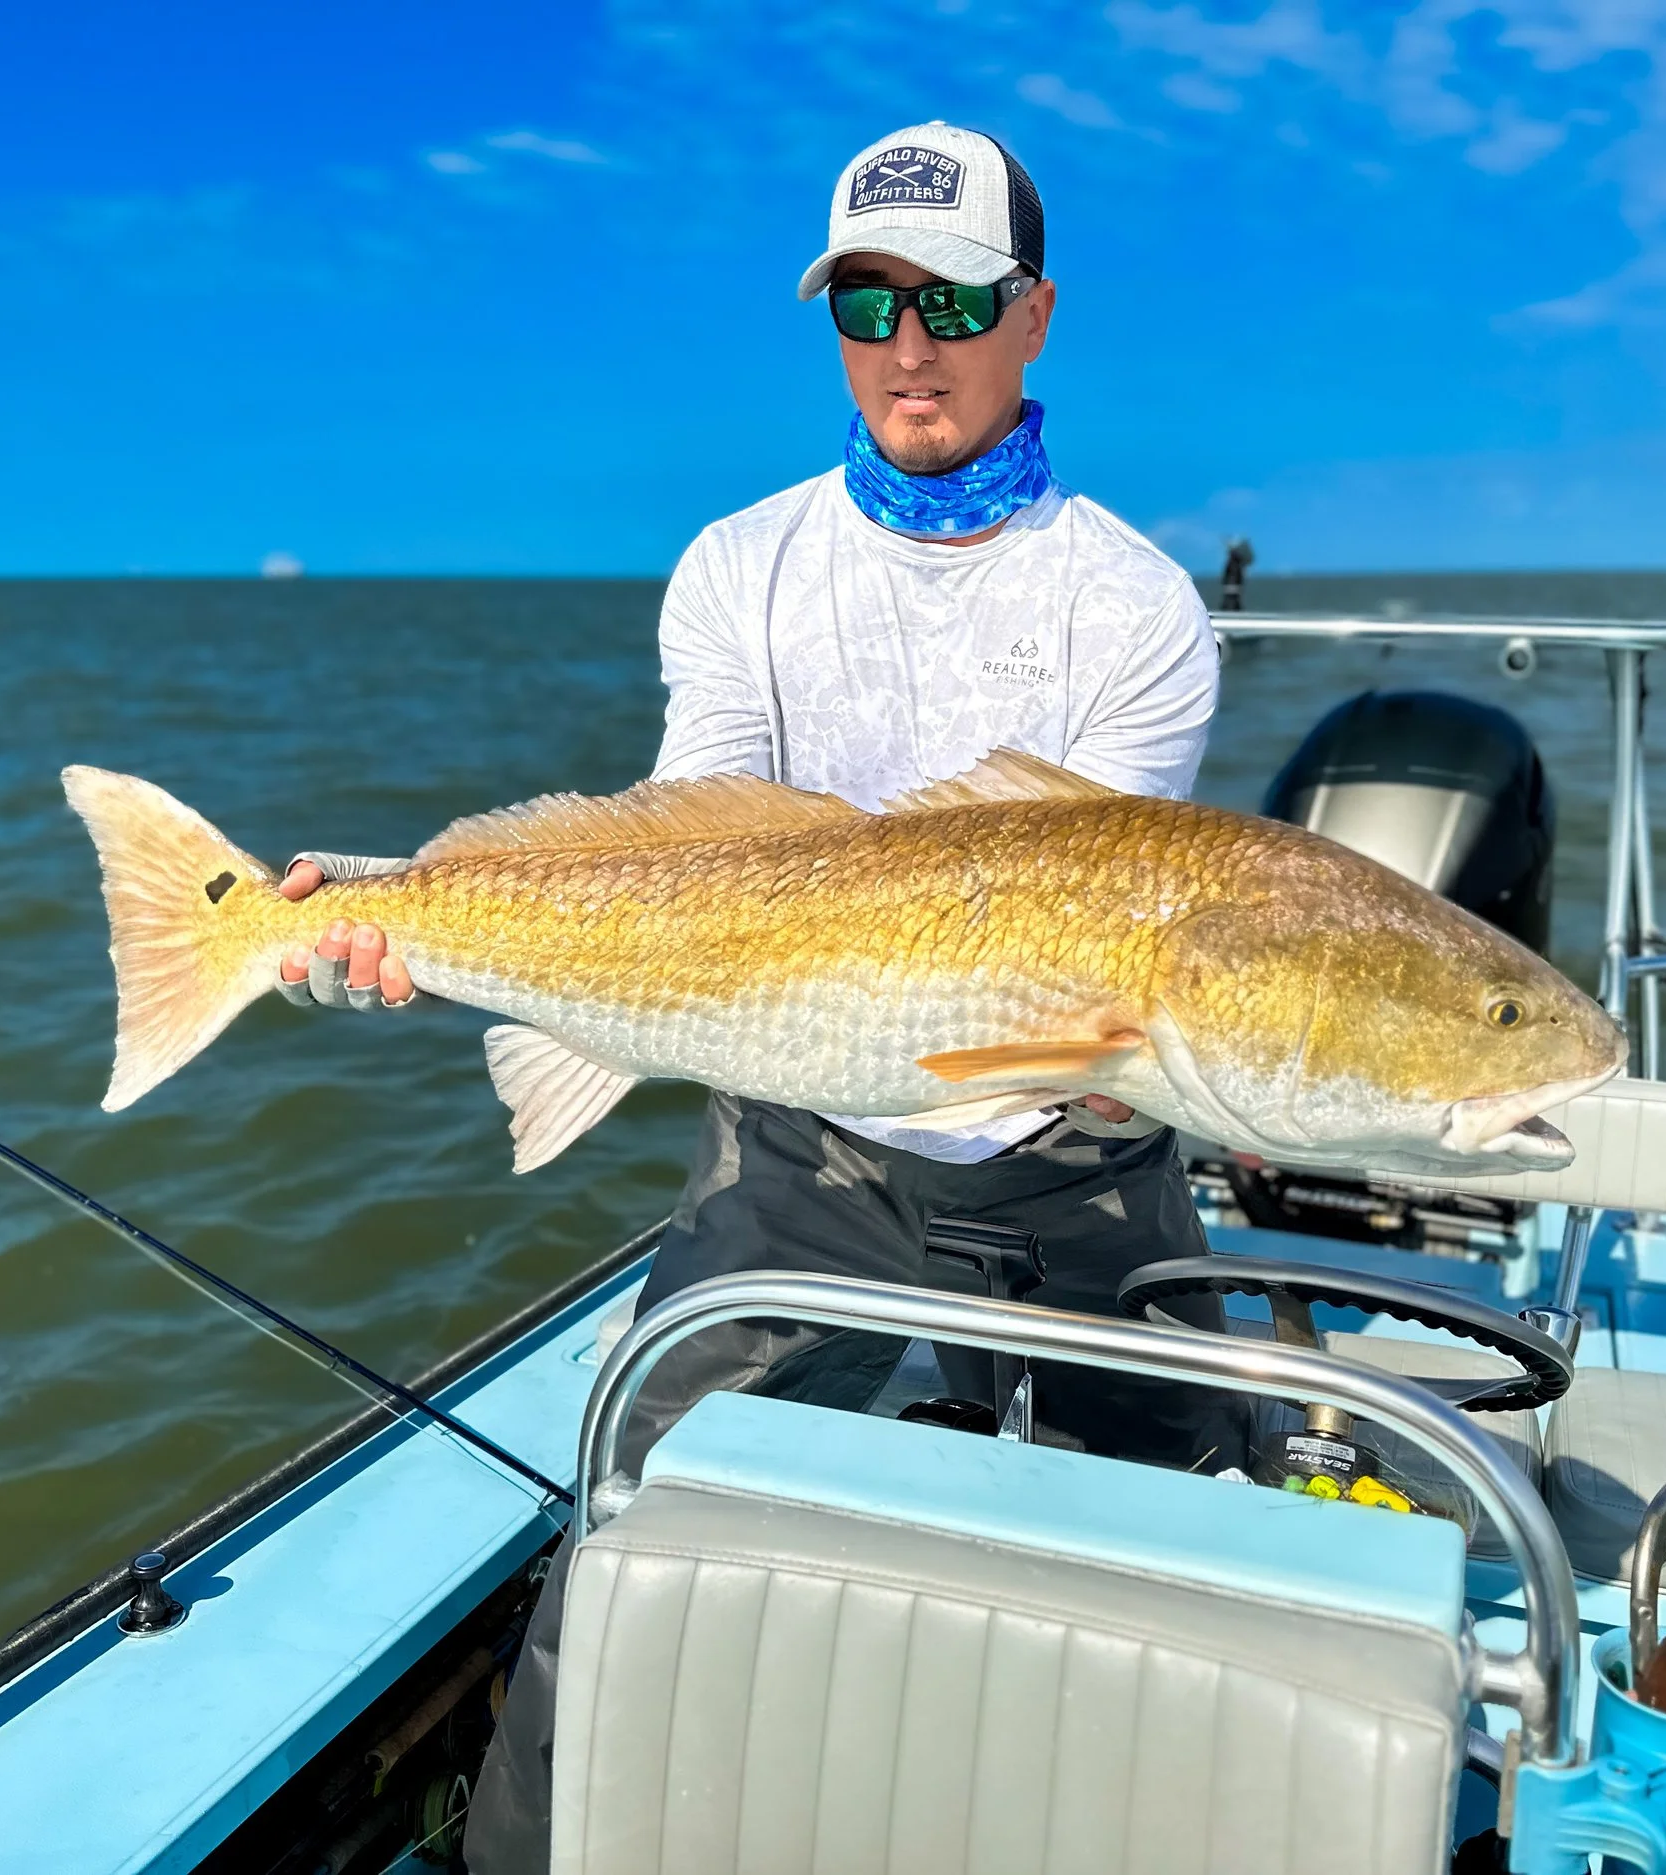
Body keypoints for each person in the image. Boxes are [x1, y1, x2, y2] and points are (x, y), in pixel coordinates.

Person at [275, 122, 1235, 1871]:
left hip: (1072, 1152)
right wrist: (419, 914)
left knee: (1196, 1546)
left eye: (952, 297)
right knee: (639, 1512)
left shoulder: (1138, 606)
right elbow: (678, 849)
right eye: (867, 303)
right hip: (802, 1143)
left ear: (1034, 315)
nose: (910, 344)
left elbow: (1116, 933)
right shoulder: (741, 566)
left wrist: (1133, 1072)